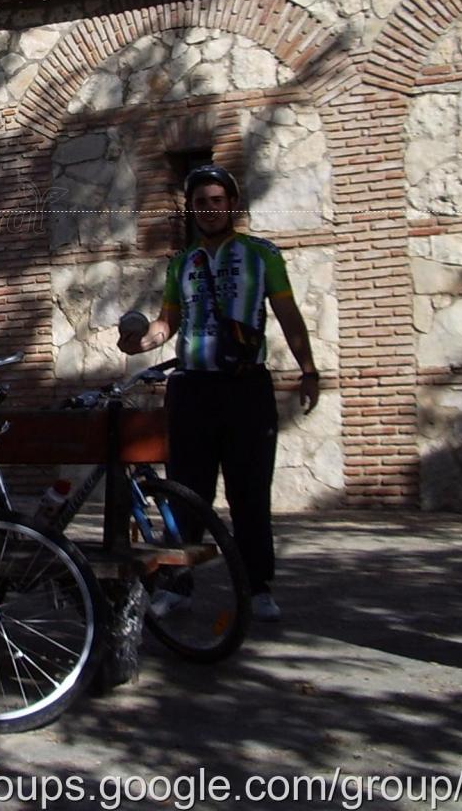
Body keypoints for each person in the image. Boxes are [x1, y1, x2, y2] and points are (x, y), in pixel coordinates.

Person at [118, 163, 319, 623]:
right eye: (200, 202)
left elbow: (288, 315)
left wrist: (309, 370)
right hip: (191, 389)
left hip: (246, 387)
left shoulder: (262, 255)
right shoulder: (180, 264)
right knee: (186, 493)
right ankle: (179, 585)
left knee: (250, 492)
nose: (209, 209)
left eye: (216, 200)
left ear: (231, 204)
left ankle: (258, 586)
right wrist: (140, 342)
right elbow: (167, 324)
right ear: (190, 208)